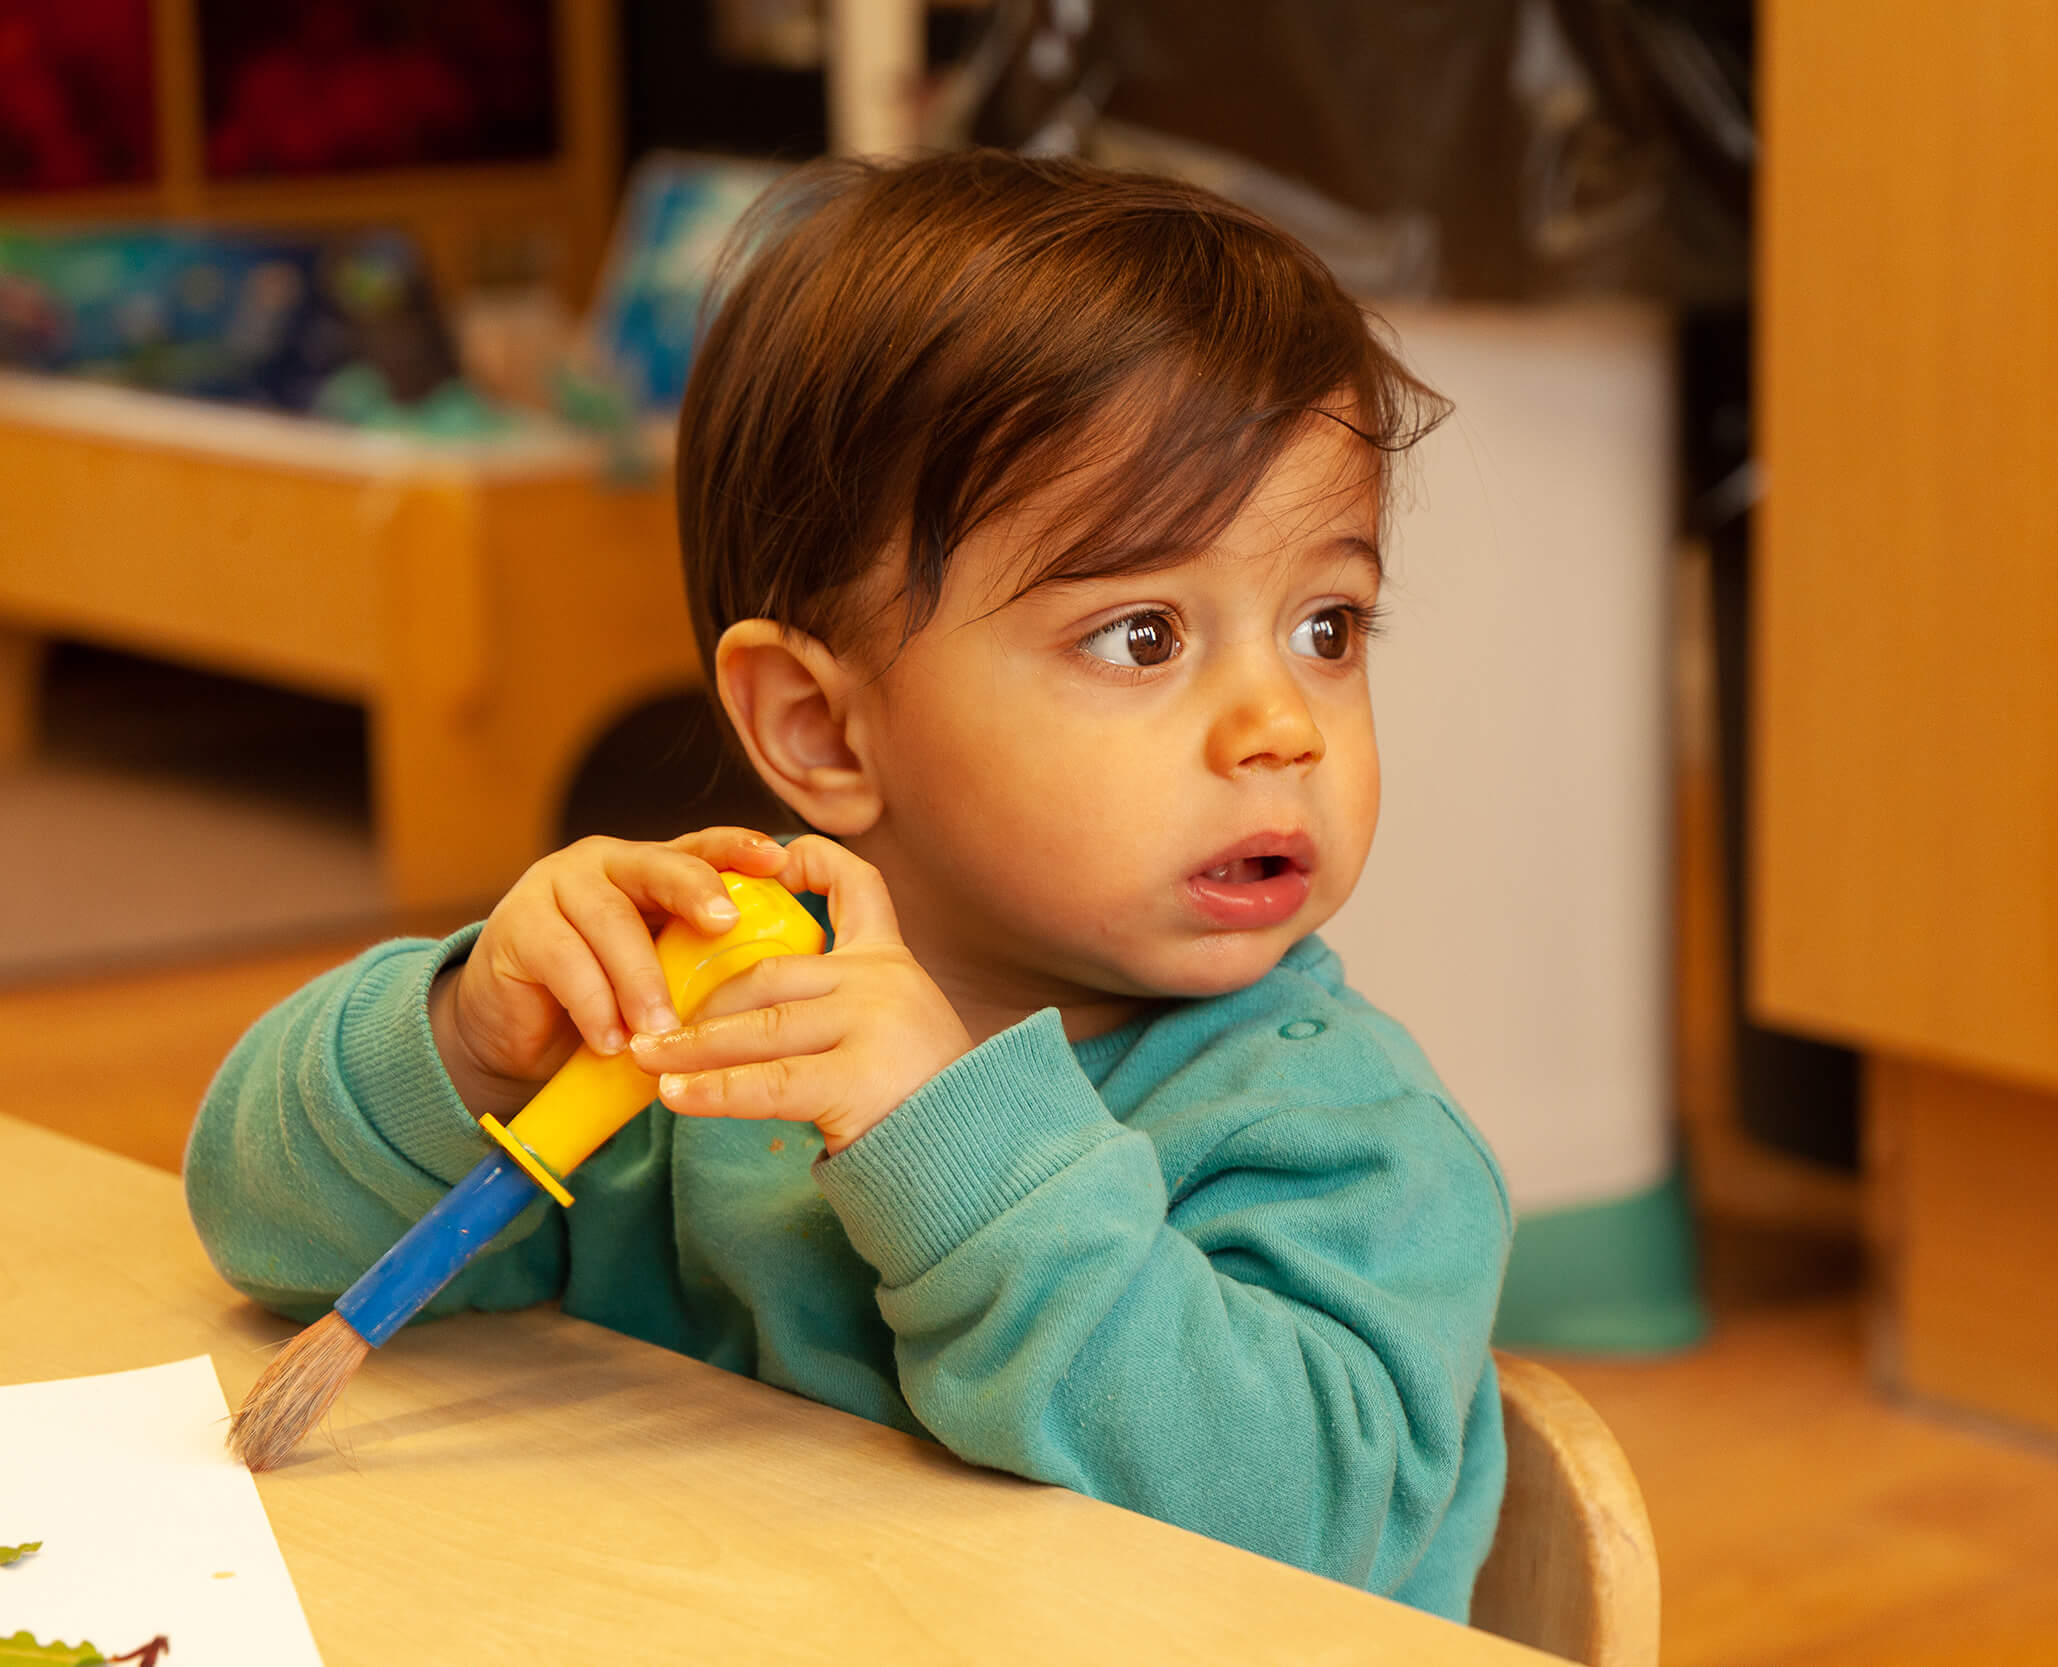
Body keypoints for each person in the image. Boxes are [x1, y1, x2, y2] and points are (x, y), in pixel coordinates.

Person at [186, 150, 1513, 1622]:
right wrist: (458, 1044)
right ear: (819, 728)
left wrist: (954, 1150)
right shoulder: (708, 1030)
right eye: (1143, 636)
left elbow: (1303, 1545)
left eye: (1327, 625)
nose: (1283, 724)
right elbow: (270, 1237)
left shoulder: (1348, 1142)